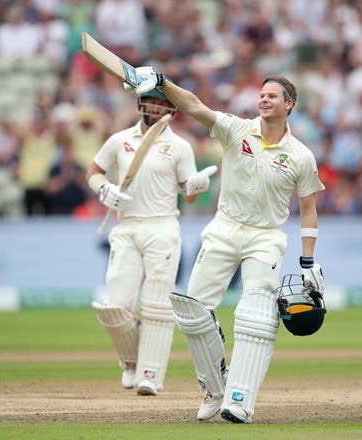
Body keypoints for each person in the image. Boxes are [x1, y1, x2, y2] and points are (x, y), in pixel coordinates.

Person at [125, 68, 326, 423]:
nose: (264, 99)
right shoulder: (237, 128)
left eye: (272, 96)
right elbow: (196, 106)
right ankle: (215, 388)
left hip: (265, 237)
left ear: (289, 104)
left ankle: (240, 400)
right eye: (261, 94)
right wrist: (162, 83)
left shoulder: (300, 155)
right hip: (224, 229)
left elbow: (309, 210)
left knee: (256, 315)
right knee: (191, 311)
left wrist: (308, 262)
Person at [86, 88, 216, 396]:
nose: (157, 109)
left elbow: (191, 193)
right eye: (152, 103)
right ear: (141, 104)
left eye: (163, 104)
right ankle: (131, 359)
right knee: (114, 307)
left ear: (172, 110)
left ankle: (150, 374)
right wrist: (103, 189)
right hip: (127, 227)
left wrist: (198, 184)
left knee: (157, 305)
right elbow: (94, 172)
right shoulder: (120, 140)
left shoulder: (179, 146)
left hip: (163, 227)